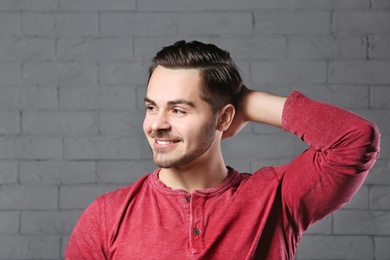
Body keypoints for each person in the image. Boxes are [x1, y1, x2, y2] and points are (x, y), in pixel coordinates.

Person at [65, 40, 380, 259]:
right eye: (151, 107)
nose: (156, 124)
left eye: (178, 110)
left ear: (225, 116)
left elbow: (354, 139)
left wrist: (247, 102)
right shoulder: (107, 216)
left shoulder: (276, 198)